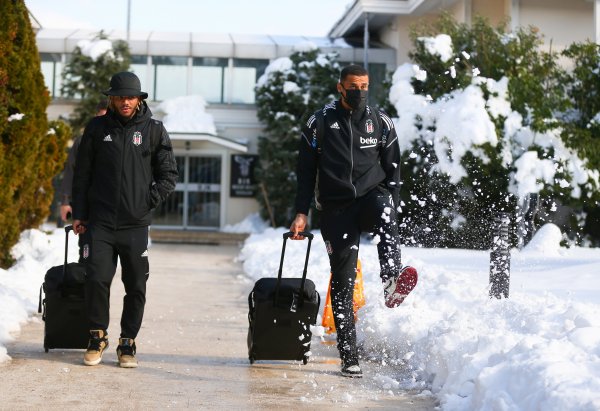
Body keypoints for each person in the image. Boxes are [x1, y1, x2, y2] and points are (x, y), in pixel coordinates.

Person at [289, 64, 418, 378]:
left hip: (371, 195)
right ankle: (349, 356)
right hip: (336, 208)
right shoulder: (319, 123)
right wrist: (301, 212)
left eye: (364, 86)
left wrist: (393, 202)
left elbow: (394, 169)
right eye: (353, 86)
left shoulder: (380, 121)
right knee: (343, 281)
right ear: (340, 87)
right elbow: (305, 173)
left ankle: (391, 281)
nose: (359, 91)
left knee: (386, 214)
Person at [72, 71, 178, 368]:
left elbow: (168, 174)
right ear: (112, 99)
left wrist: (148, 201)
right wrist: (80, 213)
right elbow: (83, 175)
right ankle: (97, 336)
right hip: (100, 223)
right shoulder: (96, 128)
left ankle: (127, 342)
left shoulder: (154, 130)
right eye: (120, 97)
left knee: (136, 285)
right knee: (96, 279)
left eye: (131, 97)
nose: (126, 102)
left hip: (135, 225)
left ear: (139, 99)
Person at [59, 99, 108, 224]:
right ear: (95, 117)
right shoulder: (82, 142)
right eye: (101, 117)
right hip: (87, 207)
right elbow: (71, 170)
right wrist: (65, 201)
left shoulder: (122, 143)